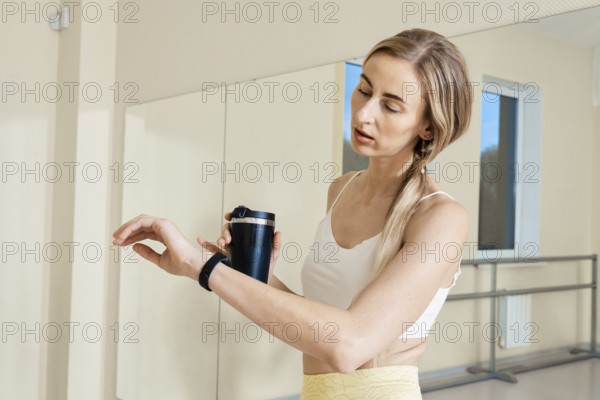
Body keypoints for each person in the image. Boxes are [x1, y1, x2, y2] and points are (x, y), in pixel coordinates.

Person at [113, 28, 472, 400]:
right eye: (364, 90)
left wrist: (198, 264)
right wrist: (257, 276)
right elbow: (320, 324)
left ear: (429, 126)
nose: (364, 113)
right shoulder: (341, 190)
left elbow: (350, 344)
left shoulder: (440, 217)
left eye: (391, 105)